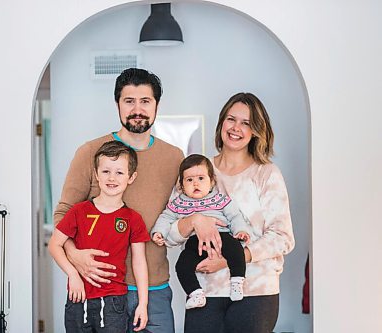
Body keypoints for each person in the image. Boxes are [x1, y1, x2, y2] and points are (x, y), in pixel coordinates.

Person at [53, 68, 185, 332]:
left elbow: (180, 215)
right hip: (97, 290)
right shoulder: (91, 152)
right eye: (129, 101)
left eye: (145, 101)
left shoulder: (174, 157)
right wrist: (74, 255)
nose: (138, 109)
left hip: (154, 288)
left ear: (156, 105)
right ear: (118, 105)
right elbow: (63, 214)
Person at [166, 92, 295, 333]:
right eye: (231, 119)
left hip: (255, 292)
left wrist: (229, 260)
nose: (236, 128)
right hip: (204, 291)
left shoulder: (267, 174)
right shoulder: (198, 170)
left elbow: (282, 238)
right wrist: (195, 220)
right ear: (221, 122)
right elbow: (170, 234)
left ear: (256, 130)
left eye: (246, 123)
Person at [49, 141, 150, 332]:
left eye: (119, 172)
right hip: (78, 297)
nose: (112, 178)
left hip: (114, 302)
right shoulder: (79, 211)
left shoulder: (133, 219)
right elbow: (55, 245)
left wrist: (142, 305)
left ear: (131, 177)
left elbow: (139, 262)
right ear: (96, 175)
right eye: (106, 171)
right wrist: (72, 274)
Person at [151, 154, 252, 309]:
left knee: (236, 249)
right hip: (194, 243)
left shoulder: (220, 199)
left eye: (201, 178)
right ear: (182, 185)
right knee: (182, 265)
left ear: (212, 182)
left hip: (221, 236)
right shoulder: (179, 202)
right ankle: (196, 293)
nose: (195, 183)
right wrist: (159, 232)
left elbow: (235, 216)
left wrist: (240, 231)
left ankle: (237, 281)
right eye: (189, 180)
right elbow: (166, 217)